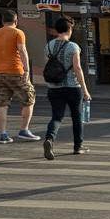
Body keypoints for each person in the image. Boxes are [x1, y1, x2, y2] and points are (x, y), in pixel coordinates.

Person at [0, 11, 39, 144]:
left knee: (2, 103)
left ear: (2, 21)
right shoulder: (18, 33)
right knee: (29, 98)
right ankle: (24, 130)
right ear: (16, 21)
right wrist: (26, 69)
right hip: (16, 71)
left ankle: (3, 134)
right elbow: (22, 50)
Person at [42, 17, 92, 160]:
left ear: (57, 30)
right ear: (69, 29)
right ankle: (78, 146)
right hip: (72, 87)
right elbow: (77, 68)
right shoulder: (73, 47)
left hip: (54, 87)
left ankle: (49, 139)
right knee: (77, 117)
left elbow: (48, 67)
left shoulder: (49, 46)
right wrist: (85, 90)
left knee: (57, 117)